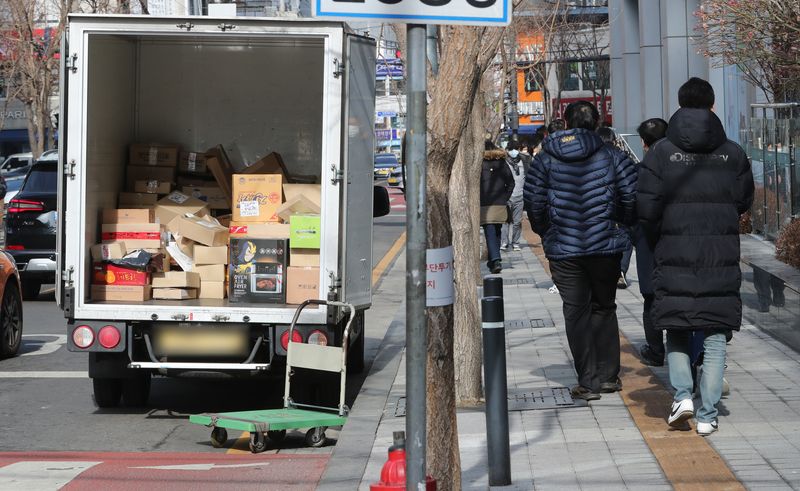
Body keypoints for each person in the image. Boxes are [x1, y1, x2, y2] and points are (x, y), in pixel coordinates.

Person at [637, 77, 754, 436]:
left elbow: (646, 208)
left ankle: (683, 396)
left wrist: (661, 236)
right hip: (720, 253)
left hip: (674, 251)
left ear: (680, 103)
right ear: (712, 105)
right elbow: (743, 200)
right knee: (715, 334)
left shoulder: (660, 153)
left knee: (677, 327)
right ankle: (707, 415)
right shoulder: (732, 152)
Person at [524, 101, 637, 401]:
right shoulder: (612, 155)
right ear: (597, 122)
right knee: (604, 307)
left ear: (565, 122)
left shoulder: (545, 159)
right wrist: (619, 225)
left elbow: (534, 202)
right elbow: (631, 195)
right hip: (604, 246)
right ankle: (609, 376)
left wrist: (547, 232)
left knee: (576, 311)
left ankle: (588, 382)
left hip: (564, 249)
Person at [633, 118, 669, 367]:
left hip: (647, 241)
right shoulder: (682, 166)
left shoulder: (641, 170)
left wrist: (634, 234)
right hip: (678, 240)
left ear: (644, 143)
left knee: (651, 297)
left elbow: (629, 208)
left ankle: (656, 350)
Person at [597, 127, 634, 289]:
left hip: (597, 205)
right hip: (620, 204)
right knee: (625, 236)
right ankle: (620, 270)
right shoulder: (622, 156)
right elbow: (630, 185)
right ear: (613, 139)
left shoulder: (590, 157)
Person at [481, 141, 515, 274]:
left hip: (485, 203)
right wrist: (505, 197)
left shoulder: (480, 164)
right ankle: (492, 261)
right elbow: (511, 183)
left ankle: (496, 260)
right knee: (496, 231)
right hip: (500, 203)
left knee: (490, 231)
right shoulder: (502, 163)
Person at [501, 141, 530, 252]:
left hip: (520, 196)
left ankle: (515, 242)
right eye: (511, 149)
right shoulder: (503, 162)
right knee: (505, 222)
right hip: (506, 196)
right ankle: (504, 242)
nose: (514, 151)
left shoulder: (524, 161)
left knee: (517, 222)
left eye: (516, 149)